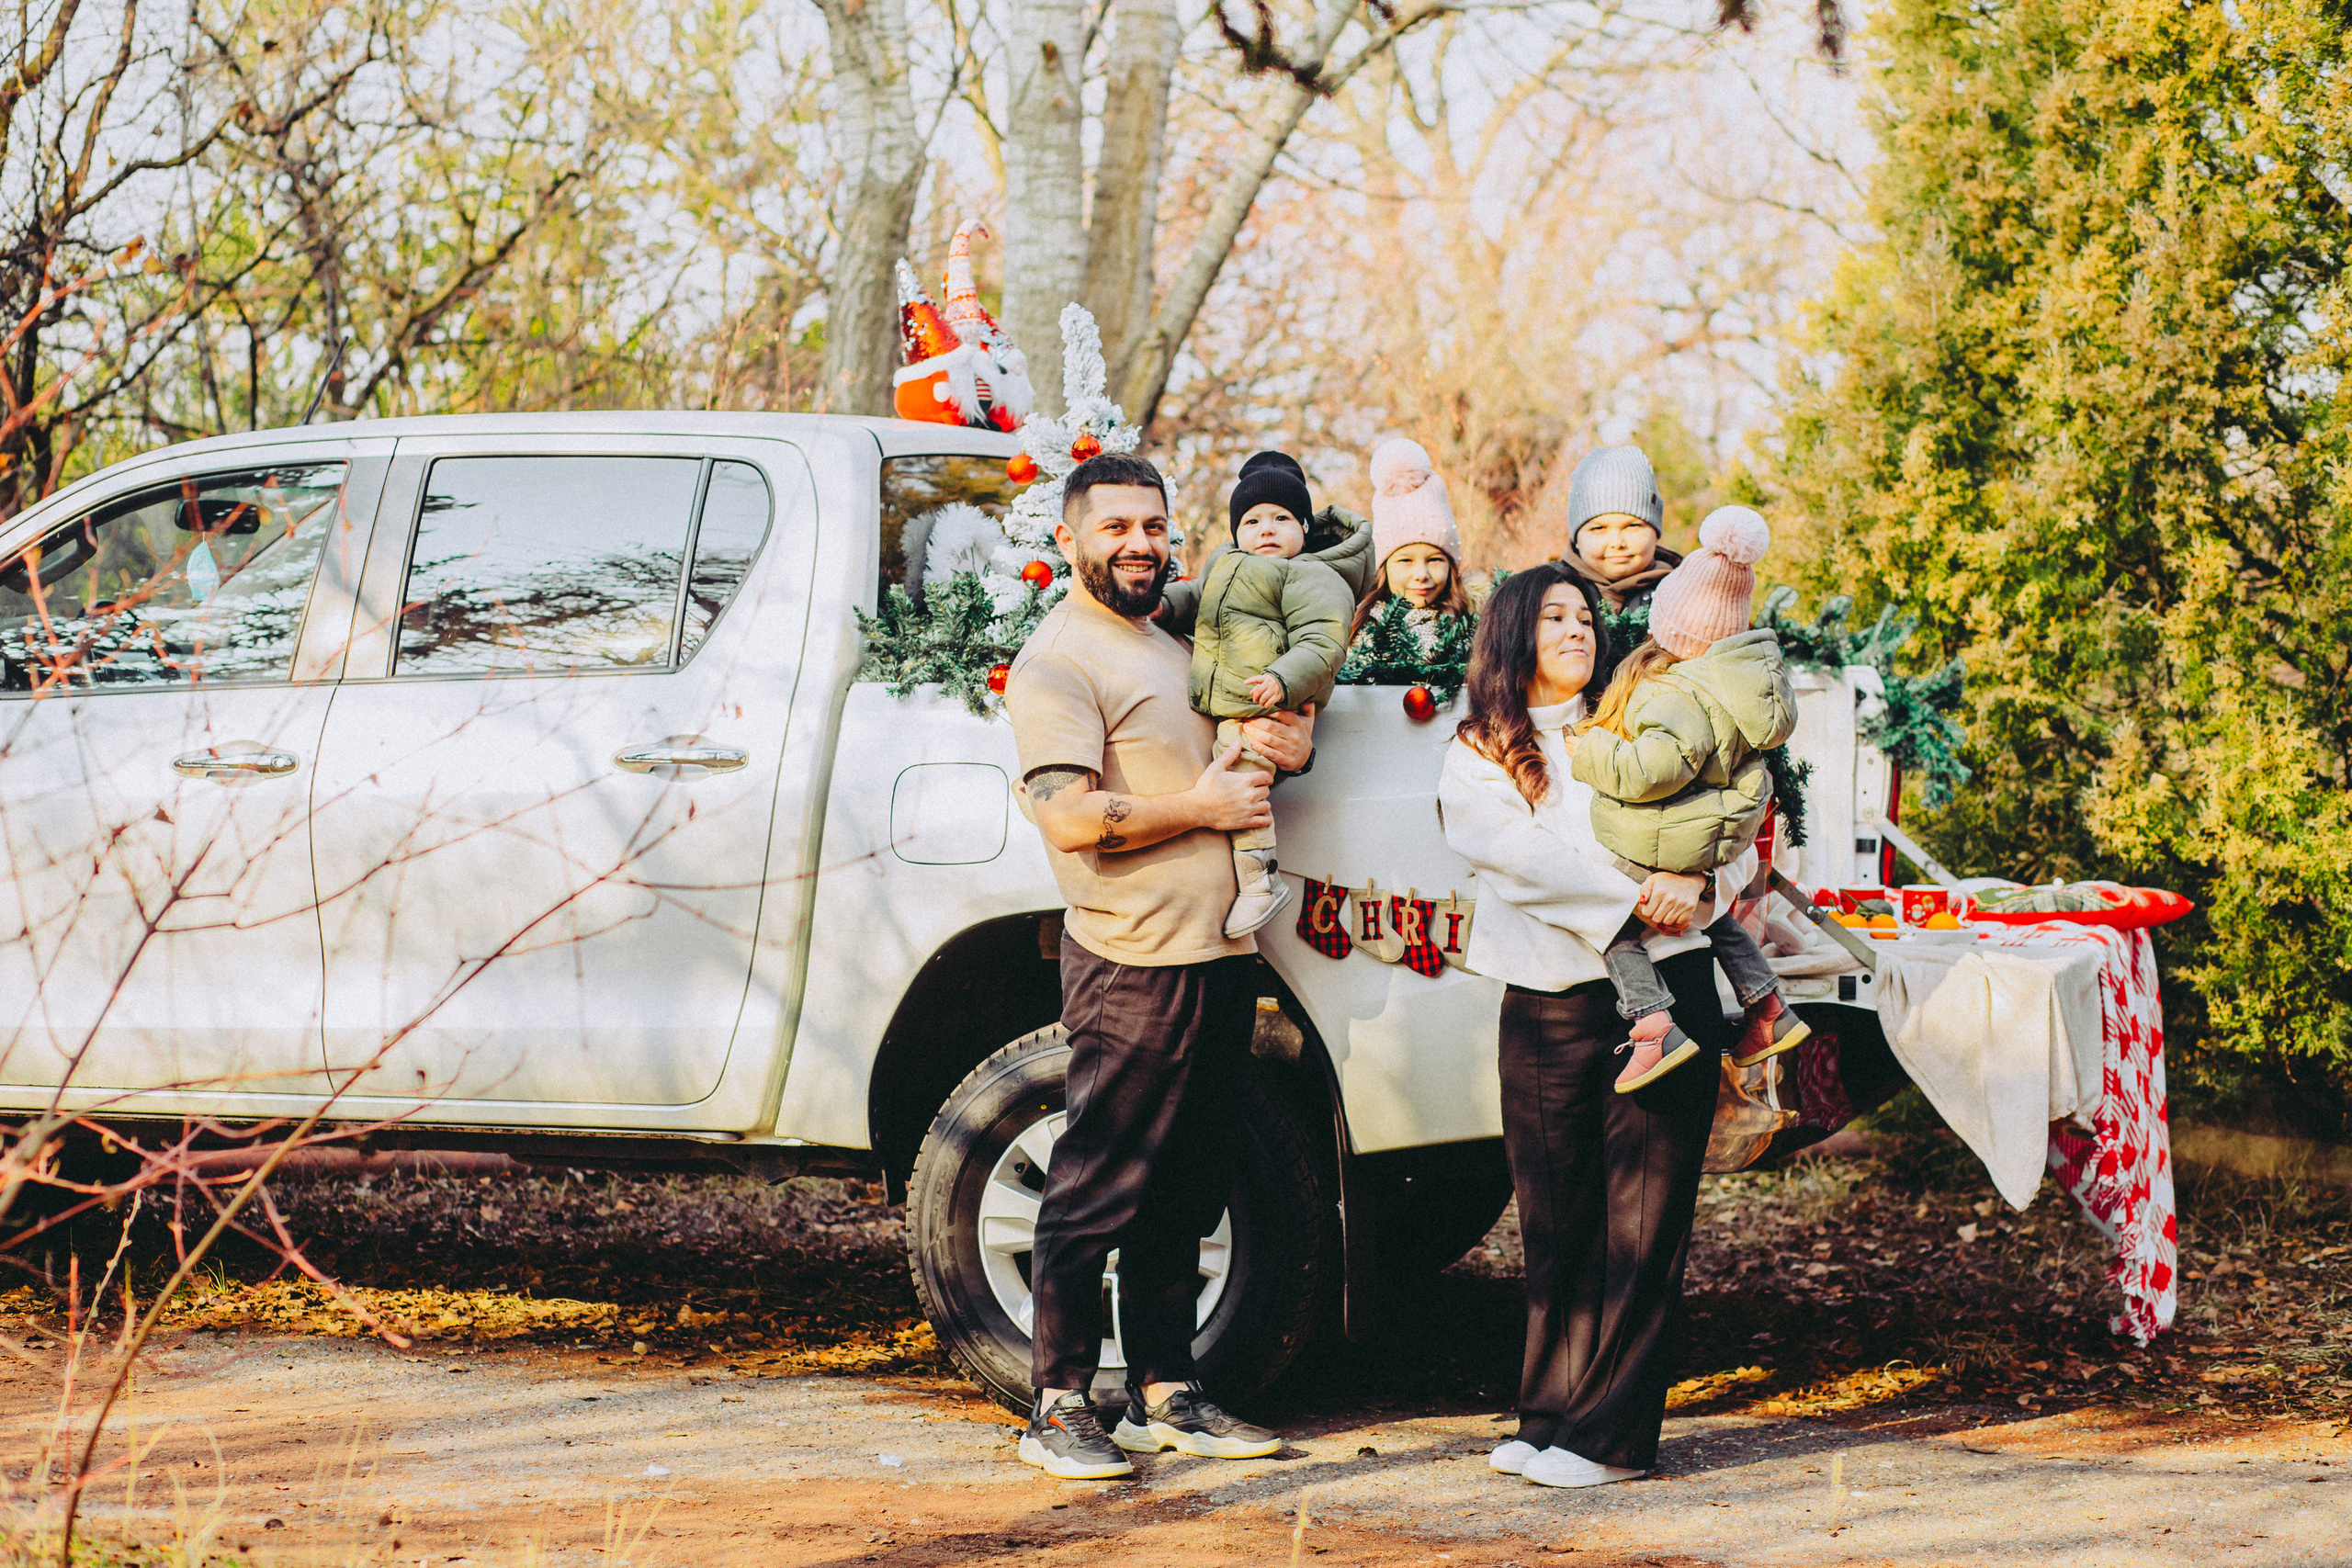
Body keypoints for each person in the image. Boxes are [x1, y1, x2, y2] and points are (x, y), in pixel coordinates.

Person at [1004, 450, 1315, 1481]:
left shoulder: (1173, 635)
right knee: (1097, 1184)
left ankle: (1164, 1394)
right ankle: (1057, 1406)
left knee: (1188, 1183)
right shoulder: (1060, 661)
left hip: (1218, 950)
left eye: (1151, 525)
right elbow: (1069, 816)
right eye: (1114, 528)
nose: (1138, 544)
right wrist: (1201, 809)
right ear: (1069, 541)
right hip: (1130, 961)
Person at [1435, 560, 1753, 1491]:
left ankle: (1611, 1439)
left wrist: (1693, 887)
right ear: (1511, 639)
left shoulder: (1649, 720)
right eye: (1553, 618)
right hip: (1543, 1004)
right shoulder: (1478, 750)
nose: (1576, 630)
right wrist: (1629, 902)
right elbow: (1513, 856)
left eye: (1584, 617)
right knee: (1556, 1218)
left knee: (1640, 1224)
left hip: (1667, 992)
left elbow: (1732, 828)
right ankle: (1549, 1418)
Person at [1571, 505, 1806, 1091]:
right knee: (1717, 913)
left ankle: (1653, 1025)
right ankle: (1768, 1006)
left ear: (1677, 627)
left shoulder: (1676, 691)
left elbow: (1654, 769)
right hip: (1706, 832)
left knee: (1607, 917)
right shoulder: (1746, 685)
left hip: (1663, 831)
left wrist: (1590, 748)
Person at [1158, 449, 1371, 936]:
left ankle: (1260, 883)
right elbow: (1197, 597)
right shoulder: (1226, 563)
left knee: (1240, 784)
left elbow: (1323, 642)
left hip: (1270, 707)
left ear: (1304, 527)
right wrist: (1167, 606)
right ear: (1236, 533)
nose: (1266, 530)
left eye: (1281, 518)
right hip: (1231, 703)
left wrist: (1282, 679)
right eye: (1251, 521)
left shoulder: (1312, 576)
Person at [1554, 445, 1679, 686]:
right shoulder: (1549, 592)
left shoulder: (1684, 594)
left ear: (1655, 531)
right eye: (1598, 529)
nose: (1617, 543)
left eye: (1632, 526)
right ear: (1577, 538)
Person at [1342, 437, 1474, 650]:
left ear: (1451, 565)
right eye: (1405, 560)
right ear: (1383, 567)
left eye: (1434, 560)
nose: (1421, 574)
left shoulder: (1474, 631)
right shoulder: (1359, 636)